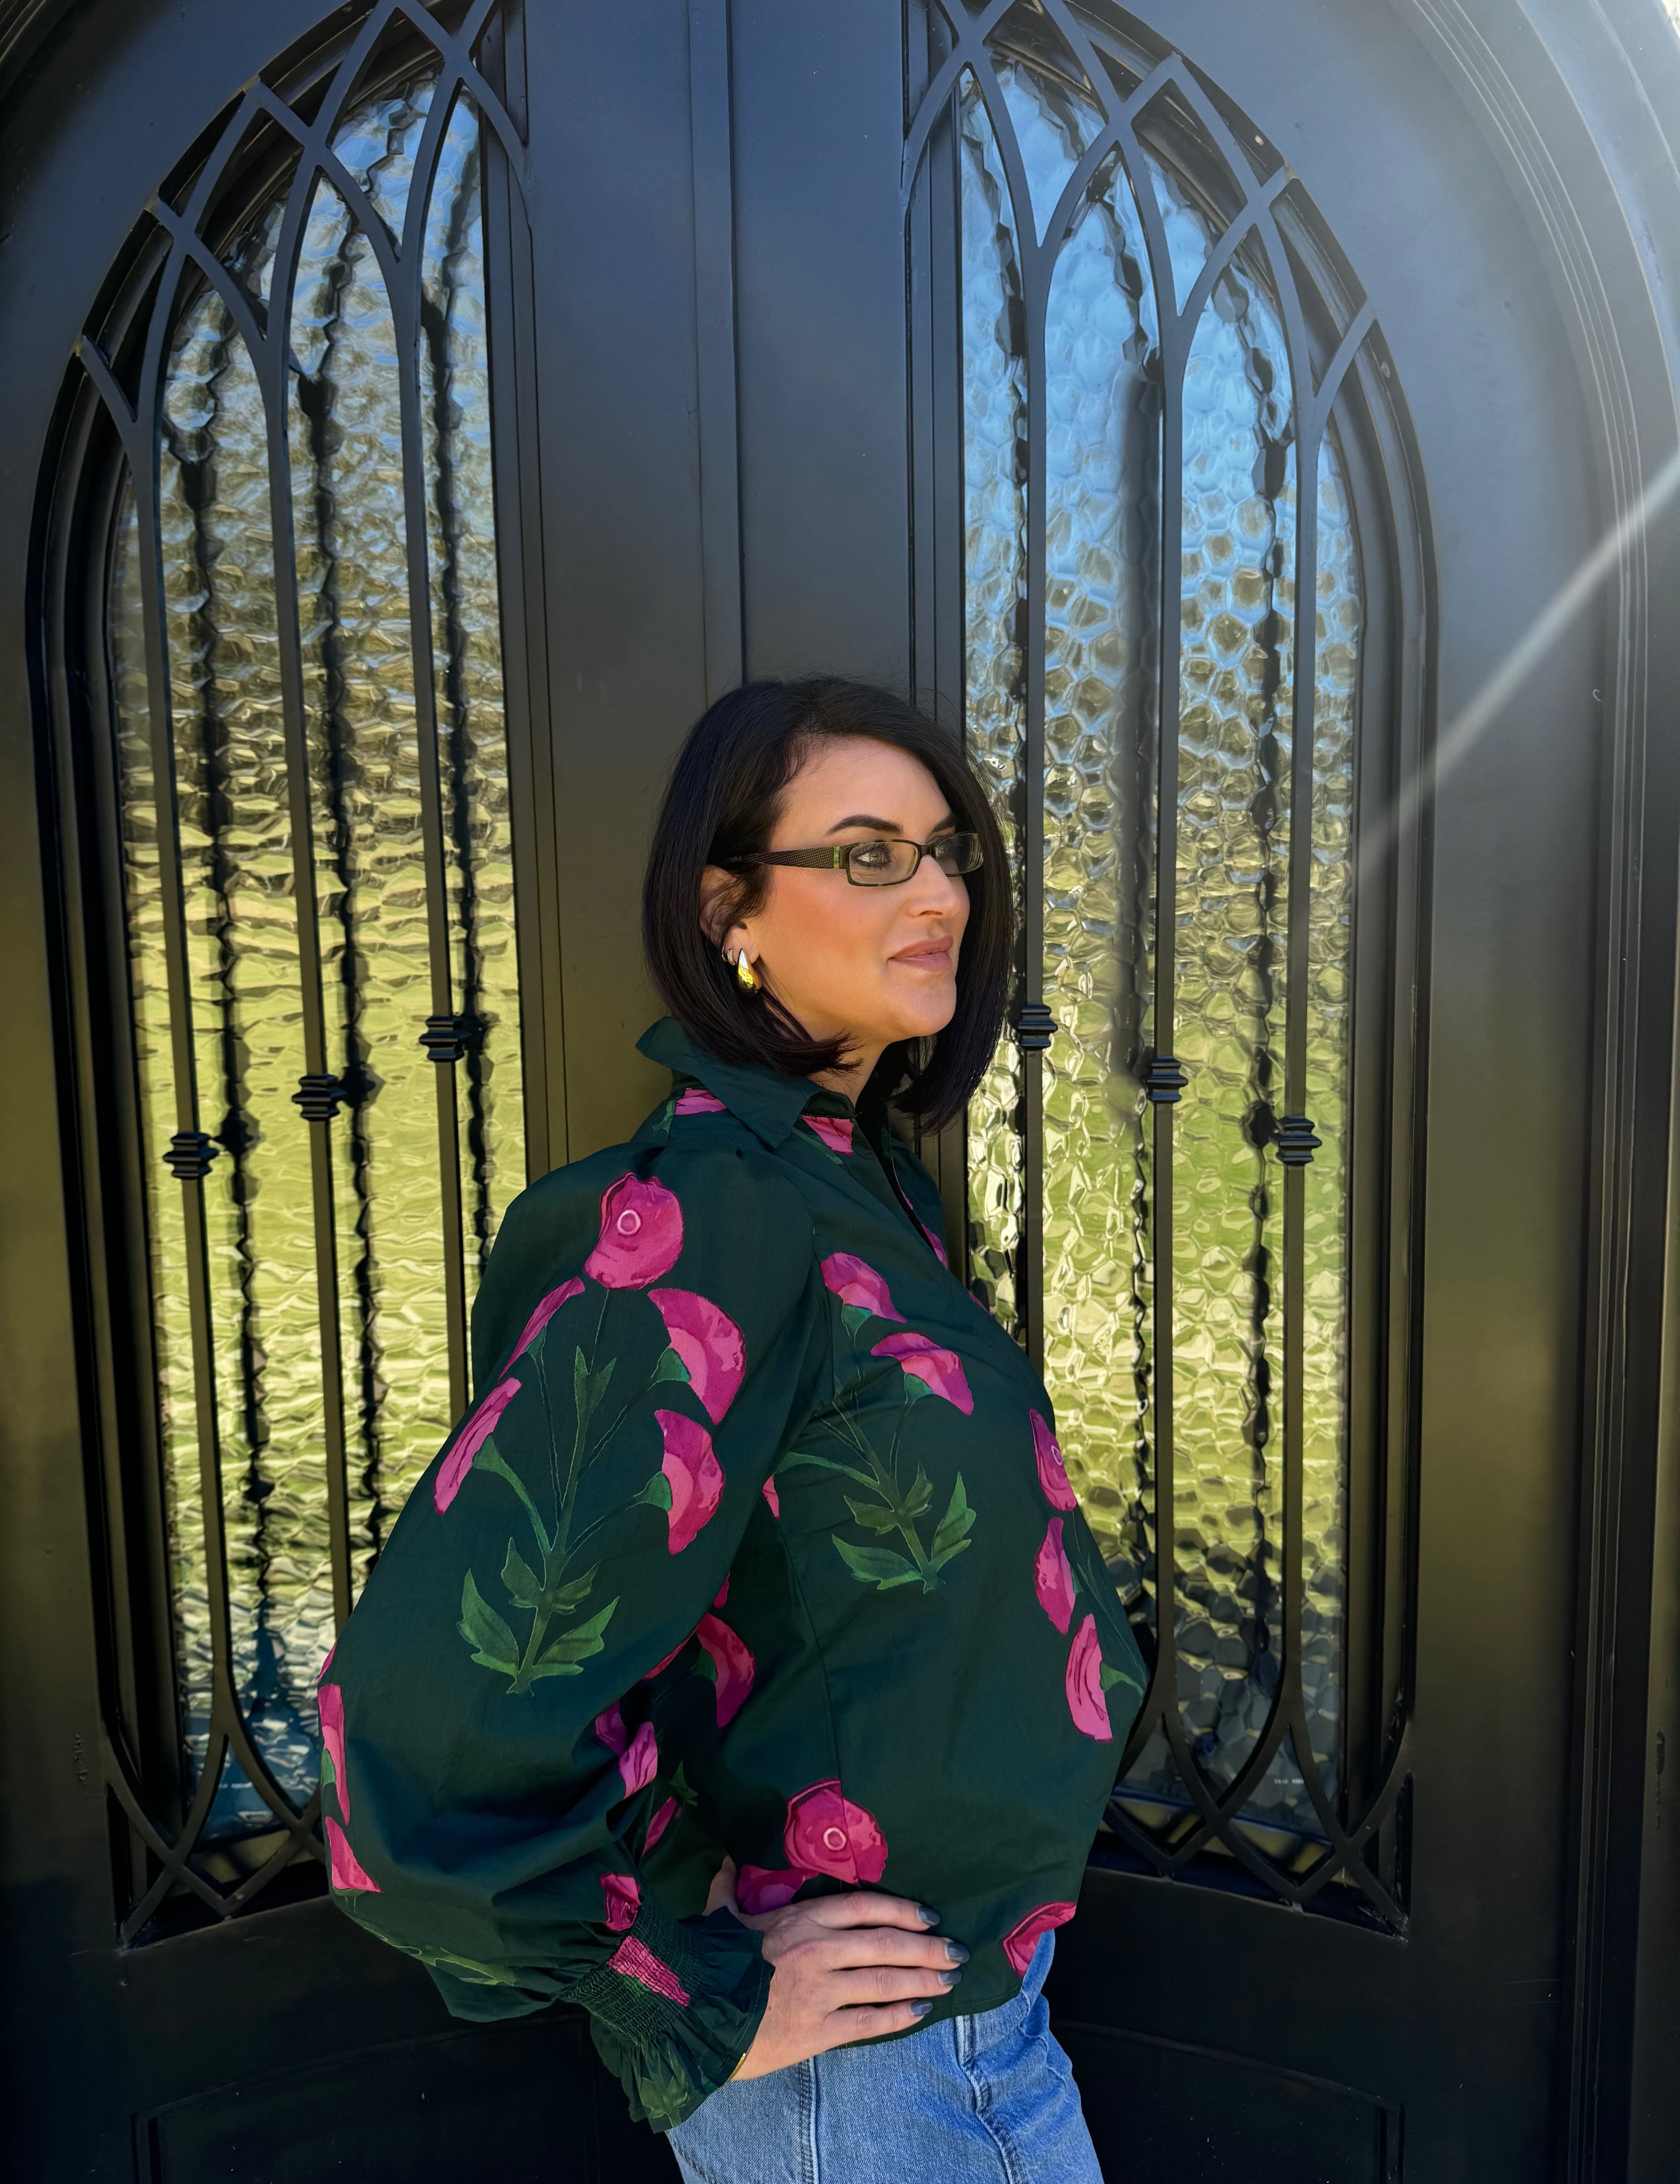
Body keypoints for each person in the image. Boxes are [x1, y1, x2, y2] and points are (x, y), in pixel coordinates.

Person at [320, 677, 1147, 2180]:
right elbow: (432, 1718)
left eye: (949, 850)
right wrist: (673, 1993)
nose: (941, 894)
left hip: (959, 2021)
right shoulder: (713, 1212)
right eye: (869, 853)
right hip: (874, 2078)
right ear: (729, 913)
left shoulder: (854, 1179)